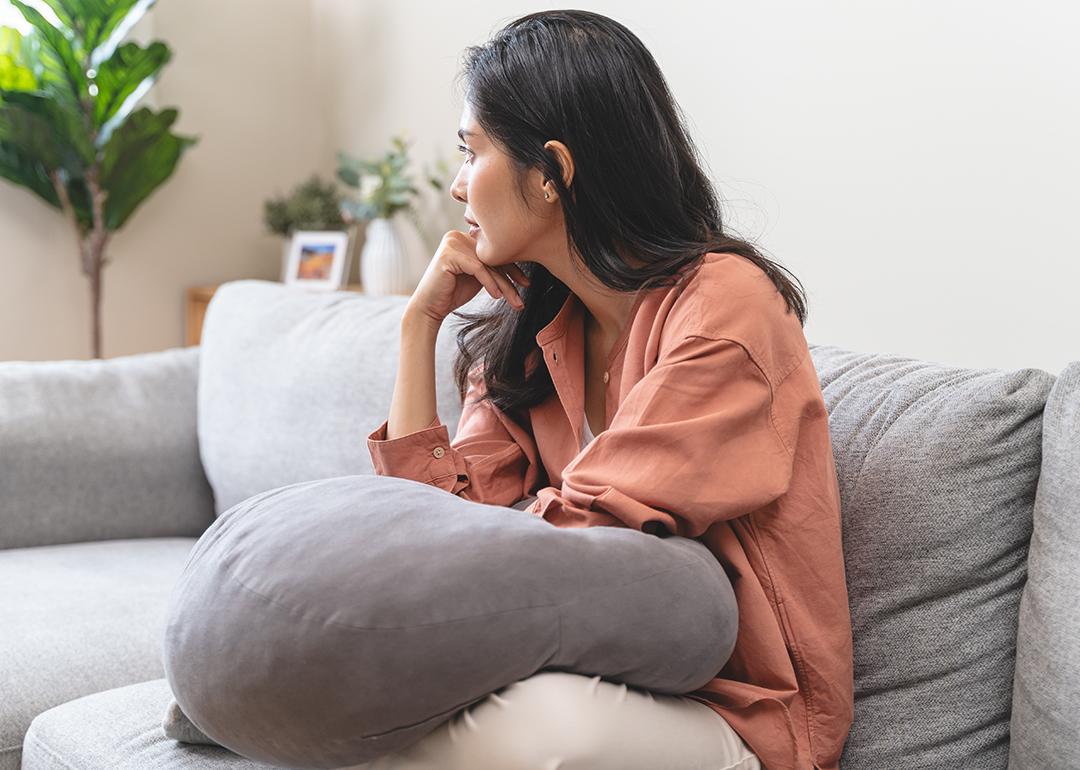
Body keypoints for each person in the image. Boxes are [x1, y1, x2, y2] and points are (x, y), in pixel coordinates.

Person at [364, 9, 854, 770]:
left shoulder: (727, 310)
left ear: (553, 171)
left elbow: (587, 531)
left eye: (473, 151)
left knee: (526, 735)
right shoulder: (529, 332)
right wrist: (416, 326)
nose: (458, 184)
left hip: (736, 710)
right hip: (579, 664)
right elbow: (440, 534)